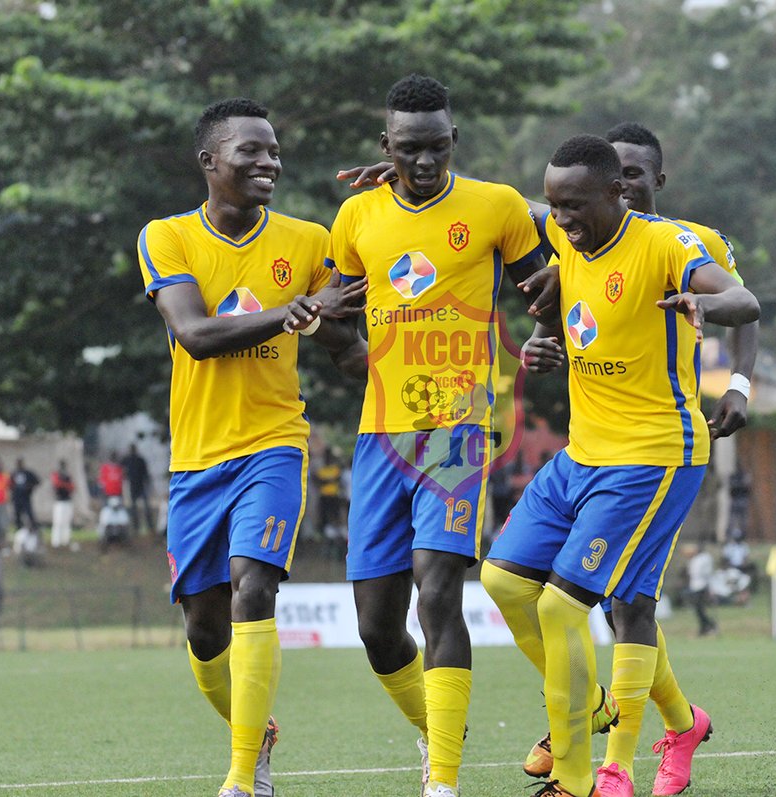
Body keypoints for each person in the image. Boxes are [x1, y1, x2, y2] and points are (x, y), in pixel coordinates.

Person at [483, 134, 758, 797]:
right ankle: (611, 709)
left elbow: (745, 304)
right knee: (503, 582)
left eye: (573, 206)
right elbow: (511, 215)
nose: (561, 221)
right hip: (584, 454)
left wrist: (707, 316)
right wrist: (409, 175)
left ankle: (585, 778)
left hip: (653, 455)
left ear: (629, 187)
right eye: (555, 208)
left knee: (583, 604)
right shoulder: (570, 241)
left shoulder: (673, 244)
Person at [317, 74, 552, 797]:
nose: (425, 162)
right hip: (380, 434)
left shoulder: (496, 207)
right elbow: (334, 312)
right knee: (377, 629)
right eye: (409, 149)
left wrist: (545, 336)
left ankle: (441, 781)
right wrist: (351, 348)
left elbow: (551, 278)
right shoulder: (355, 217)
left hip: (459, 426)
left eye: (437, 146)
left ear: (456, 140)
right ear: (386, 148)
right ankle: (437, 728)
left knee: (438, 589)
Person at [136, 96, 364, 797]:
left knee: (254, 585)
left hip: (274, 444)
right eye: (251, 151)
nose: (270, 161)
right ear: (210, 161)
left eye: (273, 151)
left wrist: (351, 335)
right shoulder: (165, 236)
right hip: (197, 460)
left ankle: (245, 778)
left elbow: (345, 340)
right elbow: (195, 336)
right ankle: (254, 729)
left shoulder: (306, 240)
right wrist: (291, 313)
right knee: (206, 632)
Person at [122, 444, 154, 534]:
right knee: (135, 508)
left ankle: (149, 526)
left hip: (140, 486)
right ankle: (137, 527)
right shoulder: (128, 460)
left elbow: (146, 474)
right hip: (133, 487)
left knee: (145, 508)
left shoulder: (139, 460)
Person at [50, 460, 75, 549]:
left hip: (67, 501)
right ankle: (56, 542)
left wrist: (65, 485)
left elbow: (72, 487)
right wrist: (66, 485)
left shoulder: (67, 475)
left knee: (67, 522)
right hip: (59, 501)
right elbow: (57, 484)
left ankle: (65, 541)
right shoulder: (57, 474)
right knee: (58, 522)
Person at [10, 458, 40, 533]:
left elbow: (37, 481)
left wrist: (29, 487)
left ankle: (34, 530)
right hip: (17, 498)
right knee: (17, 515)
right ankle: (19, 530)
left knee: (30, 515)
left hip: (26, 498)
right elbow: (10, 485)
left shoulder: (27, 473)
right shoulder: (14, 473)